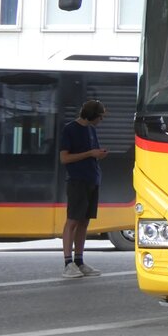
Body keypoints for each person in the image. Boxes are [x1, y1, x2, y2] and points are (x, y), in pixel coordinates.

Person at [60, 98, 108, 278]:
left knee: (84, 221)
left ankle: (79, 261)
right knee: (72, 220)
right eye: (100, 117)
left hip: (92, 179)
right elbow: (64, 158)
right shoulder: (70, 129)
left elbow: (91, 154)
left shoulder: (91, 130)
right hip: (77, 181)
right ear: (92, 115)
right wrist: (90, 153)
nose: (101, 121)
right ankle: (68, 263)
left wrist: (98, 155)